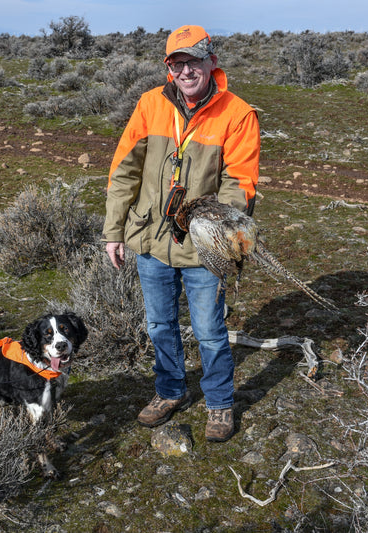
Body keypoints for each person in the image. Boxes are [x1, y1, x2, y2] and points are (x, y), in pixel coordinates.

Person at [102, 25, 260, 442]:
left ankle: (220, 404)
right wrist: (113, 231)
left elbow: (240, 183)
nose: (186, 70)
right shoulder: (150, 105)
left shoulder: (237, 113)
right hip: (150, 241)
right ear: (168, 68)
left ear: (212, 62)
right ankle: (169, 391)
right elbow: (124, 172)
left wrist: (214, 231)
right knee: (159, 325)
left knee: (209, 329)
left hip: (202, 247)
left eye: (194, 61)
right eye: (177, 63)